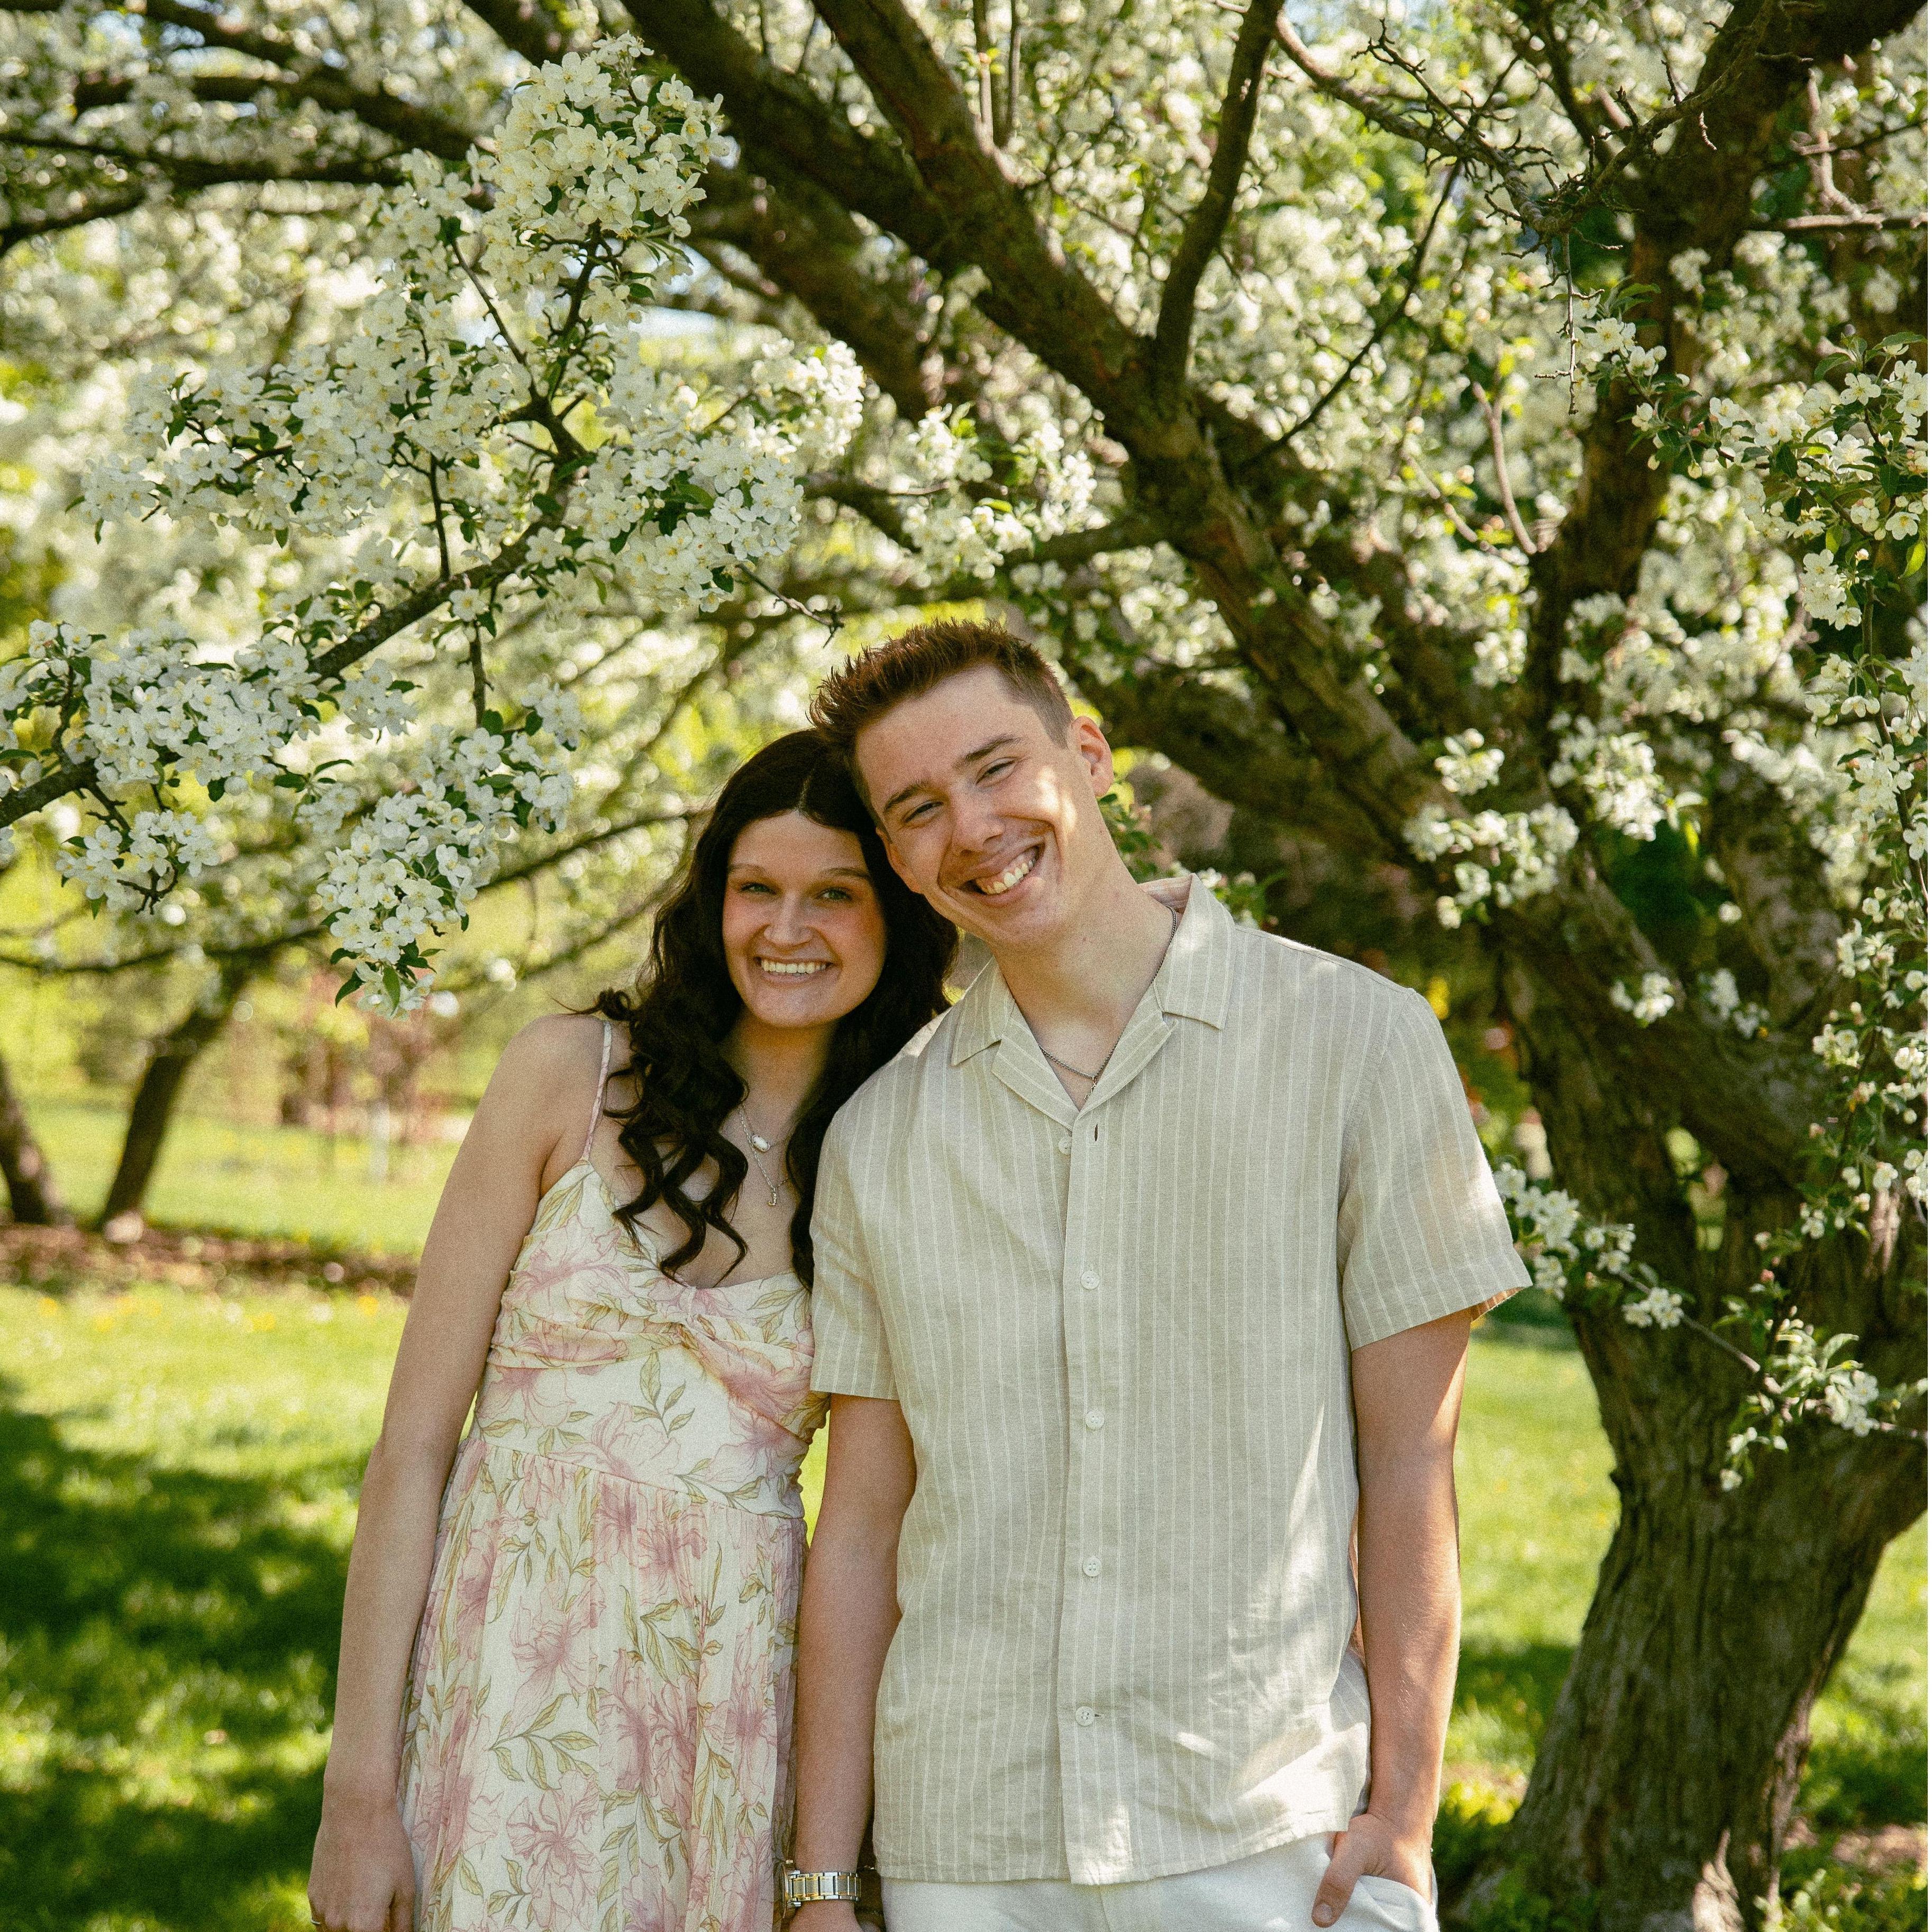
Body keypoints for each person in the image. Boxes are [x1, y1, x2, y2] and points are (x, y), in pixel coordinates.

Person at [785, 622, 1529, 1932]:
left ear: (1086, 754)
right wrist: (823, 1882)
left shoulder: (1357, 1042)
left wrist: (1404, 1811)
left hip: (1268, 1831)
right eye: (919, 808)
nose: (973, 827)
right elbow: (857, 1530)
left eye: (996, 767)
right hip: (969, 1848)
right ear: (897, 858)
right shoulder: (878, 1136)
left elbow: (1411, 1460)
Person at [305, 731, 954, 1932]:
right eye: (756, 887)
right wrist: (356, 1794)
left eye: (834, 894)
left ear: (895, 917)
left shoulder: (901, 1158)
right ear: (714, 899)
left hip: (723, 1699)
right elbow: (410, 1450)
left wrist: (821, 1883)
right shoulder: (566, 1072)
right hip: (499, 1670)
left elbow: (859, 1537)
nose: (787, 927)